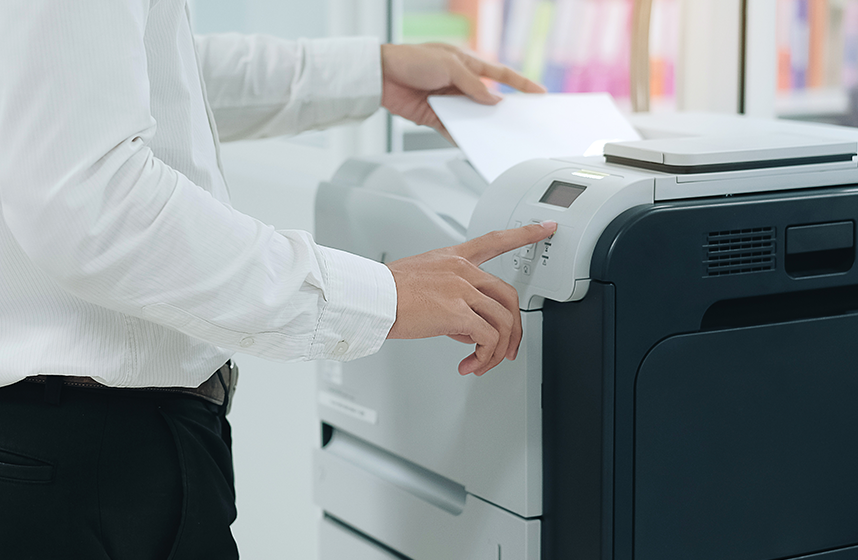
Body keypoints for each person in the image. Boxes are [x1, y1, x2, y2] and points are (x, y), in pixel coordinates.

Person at [0, 1, 552, 558]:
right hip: (87, 462)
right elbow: (92, 201)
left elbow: (132, 76)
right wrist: (380, 295)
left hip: (72, 445)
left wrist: (369, 72)